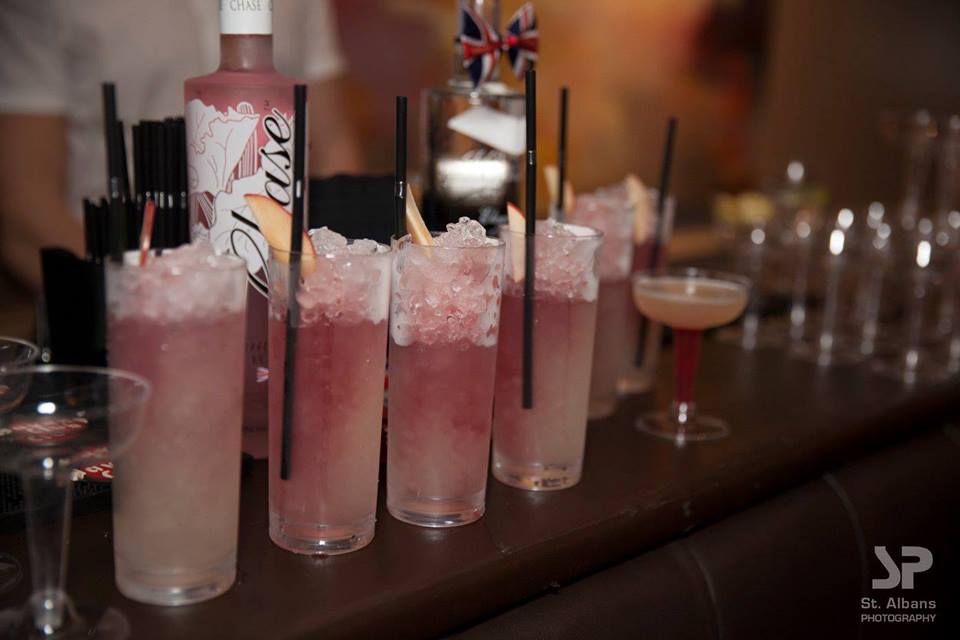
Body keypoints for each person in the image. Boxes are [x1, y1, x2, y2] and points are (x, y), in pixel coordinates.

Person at [0, 0, 362, 292]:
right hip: (115, 272)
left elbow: (332, 144)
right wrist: (141, 297)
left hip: (276, 283)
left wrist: (327, 289)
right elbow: (22, 207)